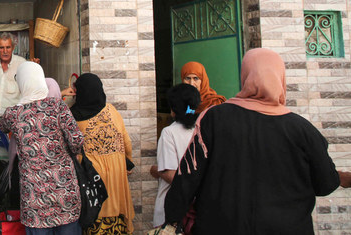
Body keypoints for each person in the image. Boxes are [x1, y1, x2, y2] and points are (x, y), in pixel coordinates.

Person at [164, 48, 341, 234]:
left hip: (220, 226)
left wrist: (172, 219)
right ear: (281, 79)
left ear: (246, 76)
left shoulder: (214, 119)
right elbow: (326, 184)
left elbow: (187, 178)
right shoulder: (303, 130)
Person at [0, 62, 84, 235]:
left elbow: (1, 124)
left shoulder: (14, 113)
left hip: (35, 198)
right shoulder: (58, 106)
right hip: (64, 192)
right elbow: (76, 141)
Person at [63, 73, 135, 234]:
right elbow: (126, 142)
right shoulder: (111, 110)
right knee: (117, 216)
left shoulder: (73, 116)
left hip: (92, 176)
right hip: (117, 172)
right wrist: (127, 163)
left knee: (96, 215)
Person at [150, 83, 201, 228]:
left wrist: (157, 170)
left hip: (171, 211)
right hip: (195, 210)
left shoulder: (169, 133)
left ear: (173, 109)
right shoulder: (202, 129)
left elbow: (171, 175)